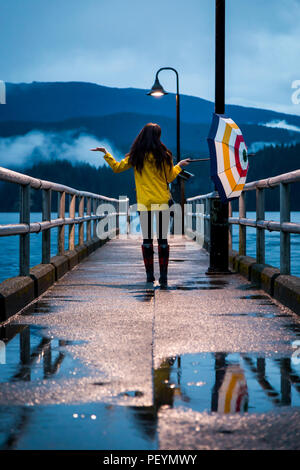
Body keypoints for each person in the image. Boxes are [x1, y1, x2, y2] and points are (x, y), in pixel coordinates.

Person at [90, 122, 190, 287]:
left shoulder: (136, 156)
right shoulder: (165, 155)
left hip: (144, 204)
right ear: (158, 137)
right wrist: (179, 166)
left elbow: (116, 168)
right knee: (163, 239)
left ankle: (149, 276)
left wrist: (106, 153)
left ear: (142, 136)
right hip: (162, 202)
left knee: (147, 239)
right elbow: (170, 177)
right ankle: (164, 277)